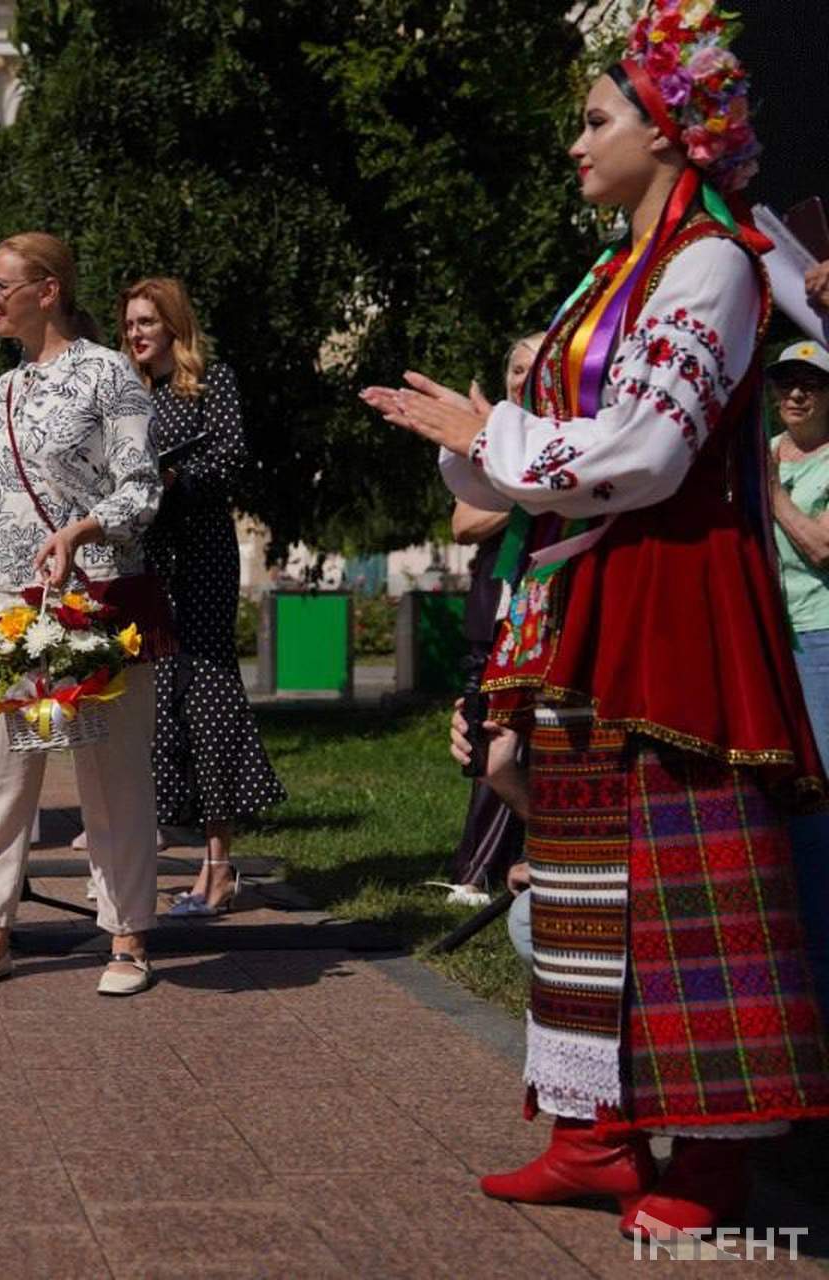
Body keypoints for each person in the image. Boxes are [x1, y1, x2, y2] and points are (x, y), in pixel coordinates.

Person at [365, 4, 829, 1239]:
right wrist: (480, 447)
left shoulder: (716, 262)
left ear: (669, 132)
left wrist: (494, 439)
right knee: (577, 862)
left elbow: (653, 447)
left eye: (596, 118)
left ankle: (713, 1159)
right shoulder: (612, 271)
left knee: (681, 861)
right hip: (586, 591)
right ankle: (596, 1130)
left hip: (677, 593)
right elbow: (552, 454)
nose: (576, 142)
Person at [0, 232, 164, 997]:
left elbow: (141, 490)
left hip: (96, 606)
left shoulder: (109, 375)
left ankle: (127, 936)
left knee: (112, 778)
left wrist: (82, 530)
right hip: (7, 612)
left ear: (46, 290)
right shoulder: (5, 391)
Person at [119, 277, 284, 917]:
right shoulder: (127, 393)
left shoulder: (209, 381)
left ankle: (218, 866)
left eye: (147, 322)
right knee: (155, 701)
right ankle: (150, 856)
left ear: (174, 326)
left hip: (200, 551)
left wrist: (173, 478)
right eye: (130, 323)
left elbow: (232, 455)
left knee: (207, 690)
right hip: (145, 557)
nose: (136, 333)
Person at [443, 333, 544, 894]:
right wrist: (531, 491)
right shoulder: (492, 438)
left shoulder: (572, 436)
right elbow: (464, 523)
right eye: (515, 369)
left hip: (546, 597)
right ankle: (477, 871)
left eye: (534, 368)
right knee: (487, 728)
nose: (522, 379)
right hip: (498, 601)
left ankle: (532, 856)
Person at [763, 338, 829, 1004]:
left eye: (812, 382)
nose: (797, 393)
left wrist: (773, 495)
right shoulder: (761, 454)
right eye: (786, 381)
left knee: (818, 796)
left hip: (818, 639)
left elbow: (823, 546)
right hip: (761, 641)